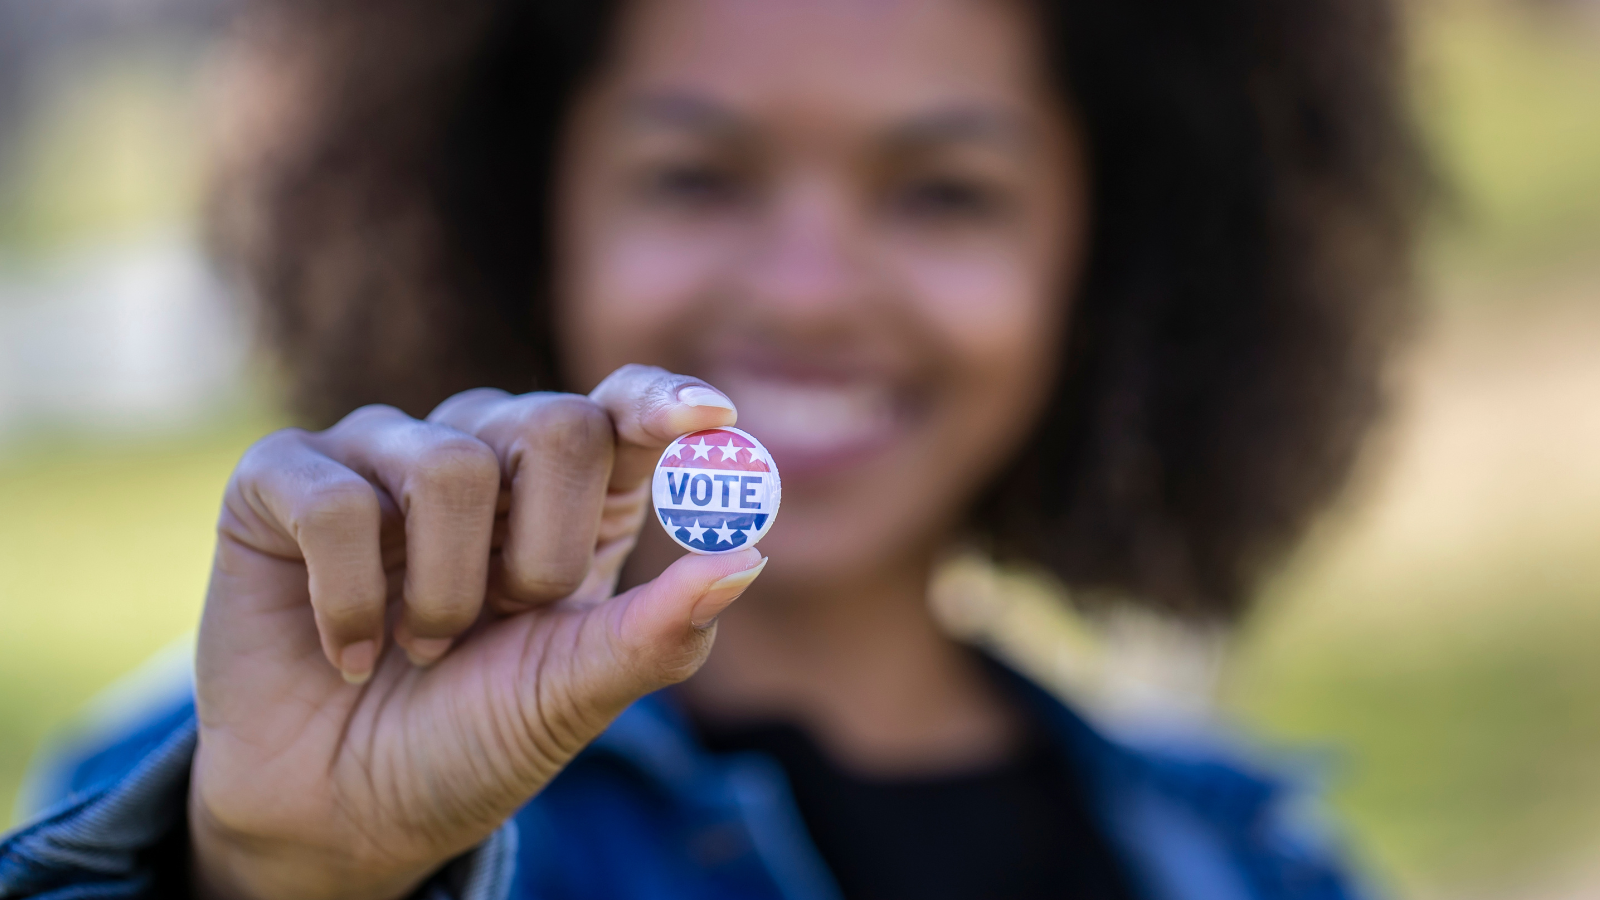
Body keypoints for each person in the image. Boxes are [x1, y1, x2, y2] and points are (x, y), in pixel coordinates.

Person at [0, 0, 1423, 897]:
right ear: (514, 202)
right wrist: (282, 880)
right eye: (695, 176)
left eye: (944, 192)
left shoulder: (1251, 860)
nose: (807, 290)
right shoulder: (239, 780)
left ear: (1106, 253)